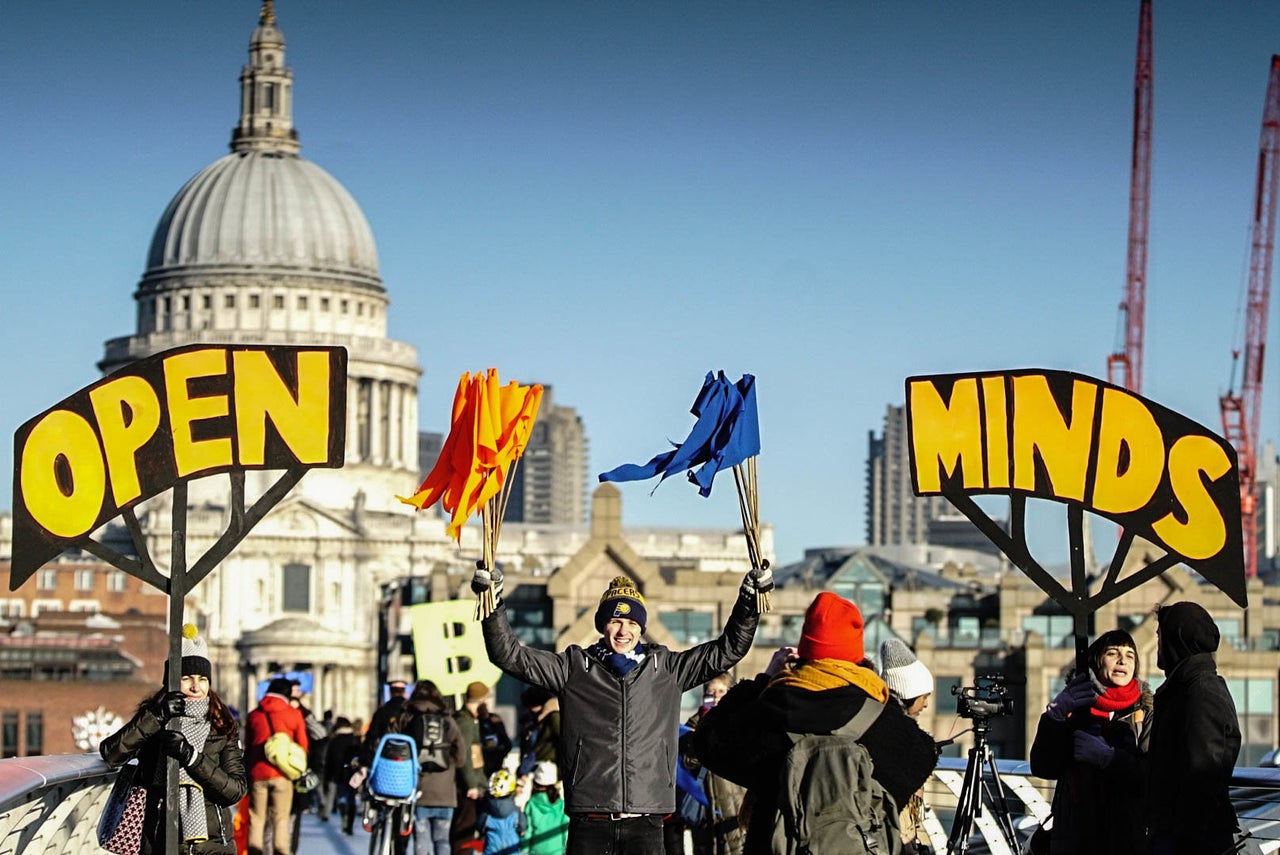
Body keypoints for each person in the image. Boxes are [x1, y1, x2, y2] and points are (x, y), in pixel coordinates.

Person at [477, 569, 766, 855]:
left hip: (647, 821)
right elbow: (509, 655)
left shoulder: (667, 669)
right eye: (615, 621)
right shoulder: (574, 668)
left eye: (631, 622)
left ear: (641, 627)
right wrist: (492, 603)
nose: (623, 630)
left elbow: (727, 650)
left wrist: (749, 601)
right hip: (589, 819)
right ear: (603, 625)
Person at [693, 591, 937, 854]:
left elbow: (707, 741)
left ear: (805, 649)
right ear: (856, 655)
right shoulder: (876, 713)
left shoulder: (770, 708)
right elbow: (924, 754)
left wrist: (764, 678)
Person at [100, 625, 248, 854]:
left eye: (202, 679)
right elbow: (112, 754)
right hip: (159, 841)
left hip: (210, 846)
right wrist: (157, 716)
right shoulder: (153, 718)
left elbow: (235, 790)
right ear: (170, 681)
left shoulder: (221, 724)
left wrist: (192, 758)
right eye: (186, 678)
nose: (196, 687)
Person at [1028, 629, 1151, 855]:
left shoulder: (1146, 712)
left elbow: (1151, 775)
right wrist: (1054, 718)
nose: (1123, 660)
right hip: (1074, 835)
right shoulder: (1074, 706)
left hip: (1124, 838)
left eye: (1130, 655)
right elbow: (1043, 766)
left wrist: (1109, 758)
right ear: (1097, 660)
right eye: (1113, 653)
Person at [1147, 602, 1241, 855]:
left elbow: (1204, 774)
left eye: (1159, 636)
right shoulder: (1187, 689)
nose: (1157, 644)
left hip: (1191, 842)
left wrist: (1183, 840)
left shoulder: (1200, 693)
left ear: (1176, 639)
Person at [395, 680, 469, 855]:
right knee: (442, 839)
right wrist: (452, 765)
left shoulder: (408, 717)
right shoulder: (447, 719)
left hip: (418, 790)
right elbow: (461, 755)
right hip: (445, 792)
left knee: (421, 840)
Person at [880, 638, 937, 855]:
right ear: (909, 694)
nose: (926, 704)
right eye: (924, 696)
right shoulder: (903, 739)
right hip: (896, 839)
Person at [680, 674, 745, 855]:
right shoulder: (693, 724)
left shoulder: (739, 720)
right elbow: (688, 762)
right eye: (711, 692)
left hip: (734, 803)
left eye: (721, 691)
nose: (716, 696)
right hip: (703, 807)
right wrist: (704, 727)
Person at [244, 676, 309, 855]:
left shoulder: (254, 714)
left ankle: (255, 851)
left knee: (257, 819)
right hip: (282, 774)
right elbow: (302, 745)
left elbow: (248, 746)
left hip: (258, 773)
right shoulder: (293, 714)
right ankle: (281, 851)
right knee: (281, 820)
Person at [451, 681, 492, 851]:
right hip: (467, 788)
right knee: (464, 831)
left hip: (472, 784)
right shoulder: (465, 722)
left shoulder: (469, 720)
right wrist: (472, 785)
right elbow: (466, 755)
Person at [321, 716, 363, 835]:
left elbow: (329, 760)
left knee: (342, 796)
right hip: (352, 773)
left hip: (337, 773)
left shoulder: (334, 740)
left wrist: (327, 777)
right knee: (352, 798)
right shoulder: (355, 739)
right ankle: (349, 823)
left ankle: (343, 813)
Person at [522, 761, 570, 855]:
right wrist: (565, 848)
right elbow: (565, 829)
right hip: (556, 850)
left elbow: (528, 830)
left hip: (536, 850)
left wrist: (524, 850)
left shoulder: (531, 804)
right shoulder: (560, 804)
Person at [477, 768, 526, 855]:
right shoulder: (515, 809)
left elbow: (480, 825)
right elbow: (523, 825)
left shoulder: (487, 810)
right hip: (512, 843)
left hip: (492, 844)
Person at [363, 680, 409, 766]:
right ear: (404, 692)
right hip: (408, 760)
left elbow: (372, 736)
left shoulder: (381, 711)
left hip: (385, 759)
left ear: (390, 692)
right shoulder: (411, 711)